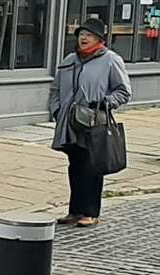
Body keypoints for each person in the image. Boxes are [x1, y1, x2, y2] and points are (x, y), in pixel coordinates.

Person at [48, 16, 131, 229]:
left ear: (99, 39)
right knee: (75, 166)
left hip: (94, 122)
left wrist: (106, 102)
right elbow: (56, 89)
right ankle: (75, 210)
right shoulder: (69, 60)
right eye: (81, 34)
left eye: (88, 35)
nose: (83, 38)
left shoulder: (111, 60)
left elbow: (123, 91)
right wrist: (57, 110)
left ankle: (90, 212)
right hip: (70, 122)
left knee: (92, 167)